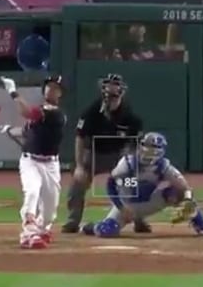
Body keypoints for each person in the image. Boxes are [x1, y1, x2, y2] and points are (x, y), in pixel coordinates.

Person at [62, 73, 150, 233]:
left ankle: (138, 219)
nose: (111, 90)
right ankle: (73, 220)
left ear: (121, 91)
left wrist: (131, 165)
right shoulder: (92, 112)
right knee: (78, 182)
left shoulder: (130, 116)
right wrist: (80, 166)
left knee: (132, 183)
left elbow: (136, 145)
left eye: (115, 86)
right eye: (108, 86)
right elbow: (80, 138)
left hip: (118, 155)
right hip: (93, 154)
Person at [81, 132, 203, 238]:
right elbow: (111, 183)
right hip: (127, 205)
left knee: (177, 193)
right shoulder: (127, 163)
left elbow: (185, 187)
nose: (147, 150)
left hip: (150, 202)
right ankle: (91, 227)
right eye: (145, 146)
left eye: (152, 147)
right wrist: (121, 207)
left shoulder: (164, 166)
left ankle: (202, 225)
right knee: (107, 230)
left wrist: (187, 200)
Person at [0, 74, 67, 249]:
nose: (51, 90)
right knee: (32, 192)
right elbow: (25, 132)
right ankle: (29, 232)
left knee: (50, 209)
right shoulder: (41, 113)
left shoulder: (56, 114)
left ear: (60, 93)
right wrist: (9, 130)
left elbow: (27, 112)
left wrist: (13, 92)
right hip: (31, 161)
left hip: (51, 164)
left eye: (55, 88)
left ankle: (42, 228)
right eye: (49, 86)